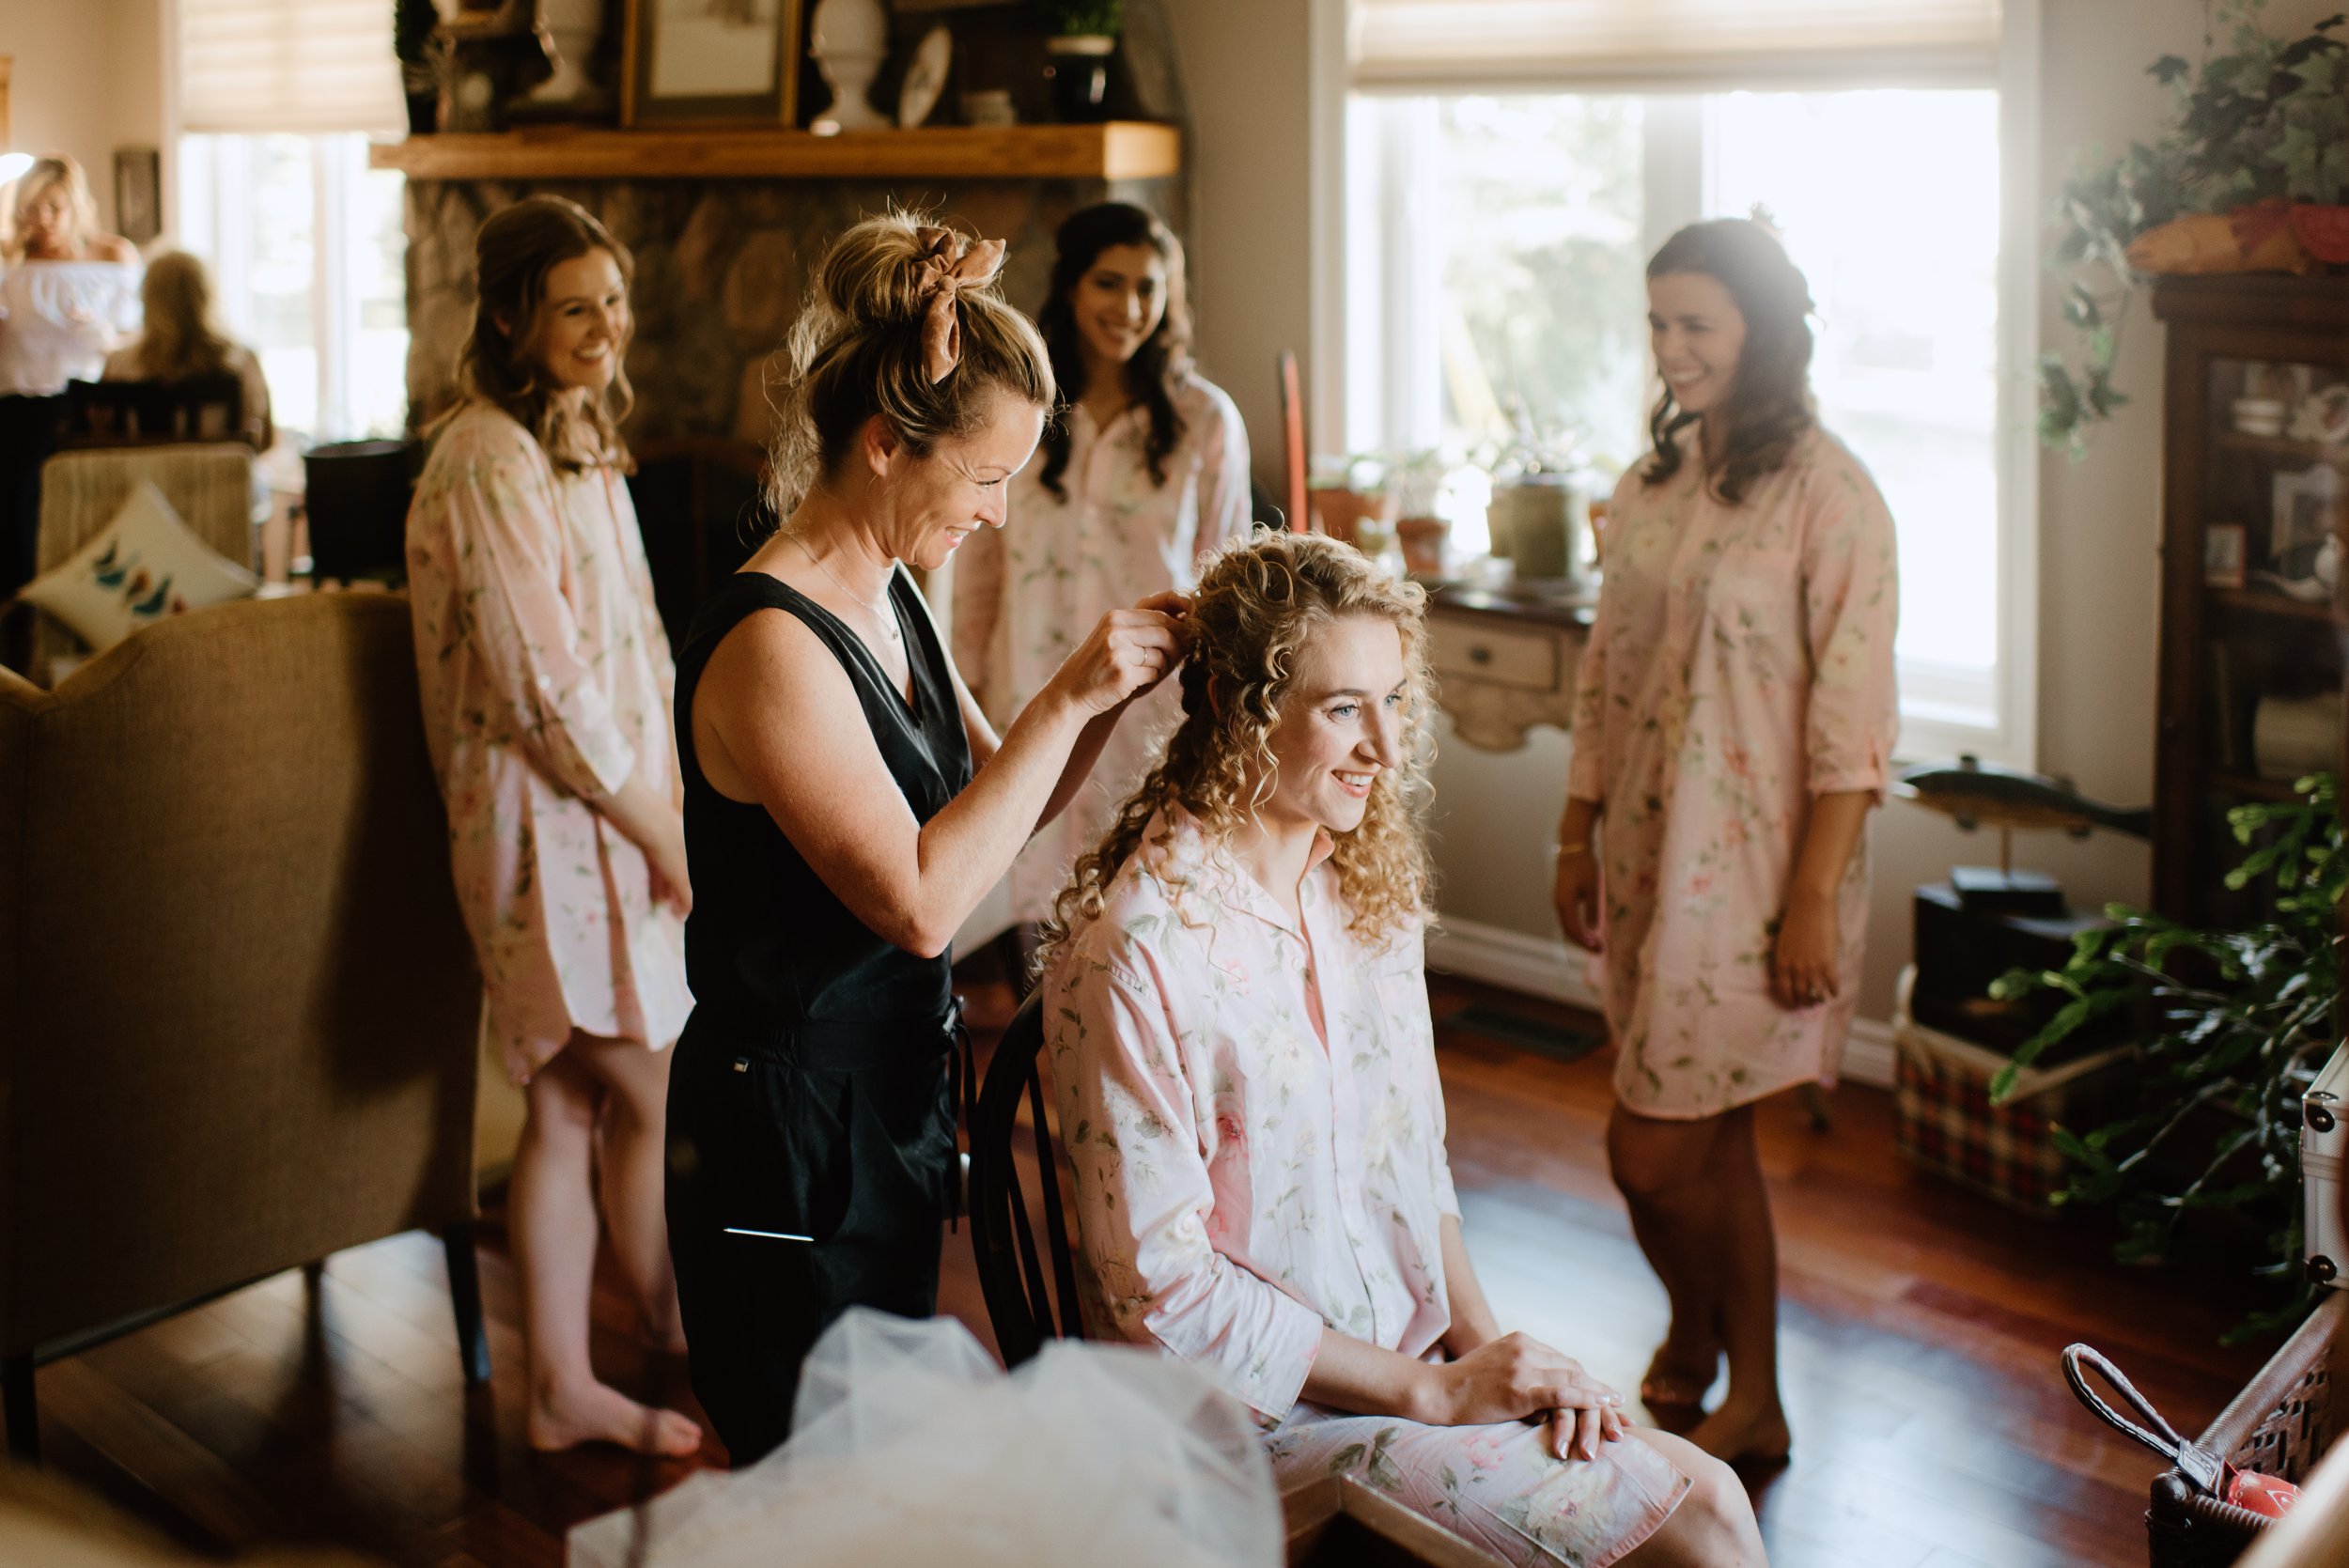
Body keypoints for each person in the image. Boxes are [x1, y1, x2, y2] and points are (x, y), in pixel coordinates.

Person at [1040, 531, 1767, 1568]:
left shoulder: (1358, 895)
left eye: (1392, 700)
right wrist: (1434, 1393)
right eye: (1343, 707)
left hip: (1407, 1367)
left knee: (1712, 1493)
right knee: (1697, 1528)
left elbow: (1414, 1168)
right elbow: (1161, 1294)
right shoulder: (1137, 949)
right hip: (1247, 1429)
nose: (1384, 744)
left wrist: (1494, 1355)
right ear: (1239, 711)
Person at [663, 212, 1188, 1467]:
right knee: (801, 1463)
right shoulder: (772, 645)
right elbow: (919, 902)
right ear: (889, 446)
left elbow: (990, 810)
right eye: (986, 479)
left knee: (875, 1458)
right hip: (775, 1145)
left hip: (887, 1105)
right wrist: (1065, 696)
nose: (999, 516)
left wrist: (1111, 699)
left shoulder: (895, 592)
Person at [1552, 219, 1899, 1465]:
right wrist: (1574, 828)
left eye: (1697, 324)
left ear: (1762, 330)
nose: (1671, 349)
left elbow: (1855, 732)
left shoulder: (1834, 495)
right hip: (1651, 852)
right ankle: (1714, 1352)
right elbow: (1606, 673)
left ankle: (1742, 1373)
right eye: (1657, 323)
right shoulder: (1650, 483)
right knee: (1707, 1140)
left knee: (1648, 1148)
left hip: (1760, 878)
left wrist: (1812, 902)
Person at [404, 195, 701, 1457]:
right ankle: (691, 1335)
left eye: (614, 302)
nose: (604, 327)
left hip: (612, 817)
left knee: (574, 1104)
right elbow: (545, 688)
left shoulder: (572, 436)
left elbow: (628, 647)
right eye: (575, 306)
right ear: (516, 315)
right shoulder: (486, 456)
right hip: (549, 826)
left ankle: (567, 1382)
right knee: (642, 1075)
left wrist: (671, 796)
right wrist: (663, 830)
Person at [950, 201, 1250, 958]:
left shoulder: (1204, 421)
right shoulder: (1023, 406)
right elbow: (979, 565)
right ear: (1073, 288)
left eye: (1149, 288)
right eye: (1109, 284)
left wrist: (1222, 714)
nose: (1130, 308)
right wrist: (967, 688)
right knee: (1033, 894)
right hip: (1031, 686)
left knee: (1141, 915)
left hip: (1150, 705)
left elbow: (1226, 574)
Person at [0, 154, 141, 601]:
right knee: (18, 518)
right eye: (31, 208)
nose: (42, 220)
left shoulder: (112, 255)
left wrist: (98, 331)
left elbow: (136, 339)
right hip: (17, 407)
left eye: (53, 208)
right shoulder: (9, 262)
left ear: (75, 206)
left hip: (89, 407)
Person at [104, 250, 274, 450]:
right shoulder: (241, 360)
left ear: (147, 297)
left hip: (139, 480)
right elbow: (265, 441)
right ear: (207, 295)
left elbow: (103, 440)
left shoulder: (119, 364)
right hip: (220, 479)